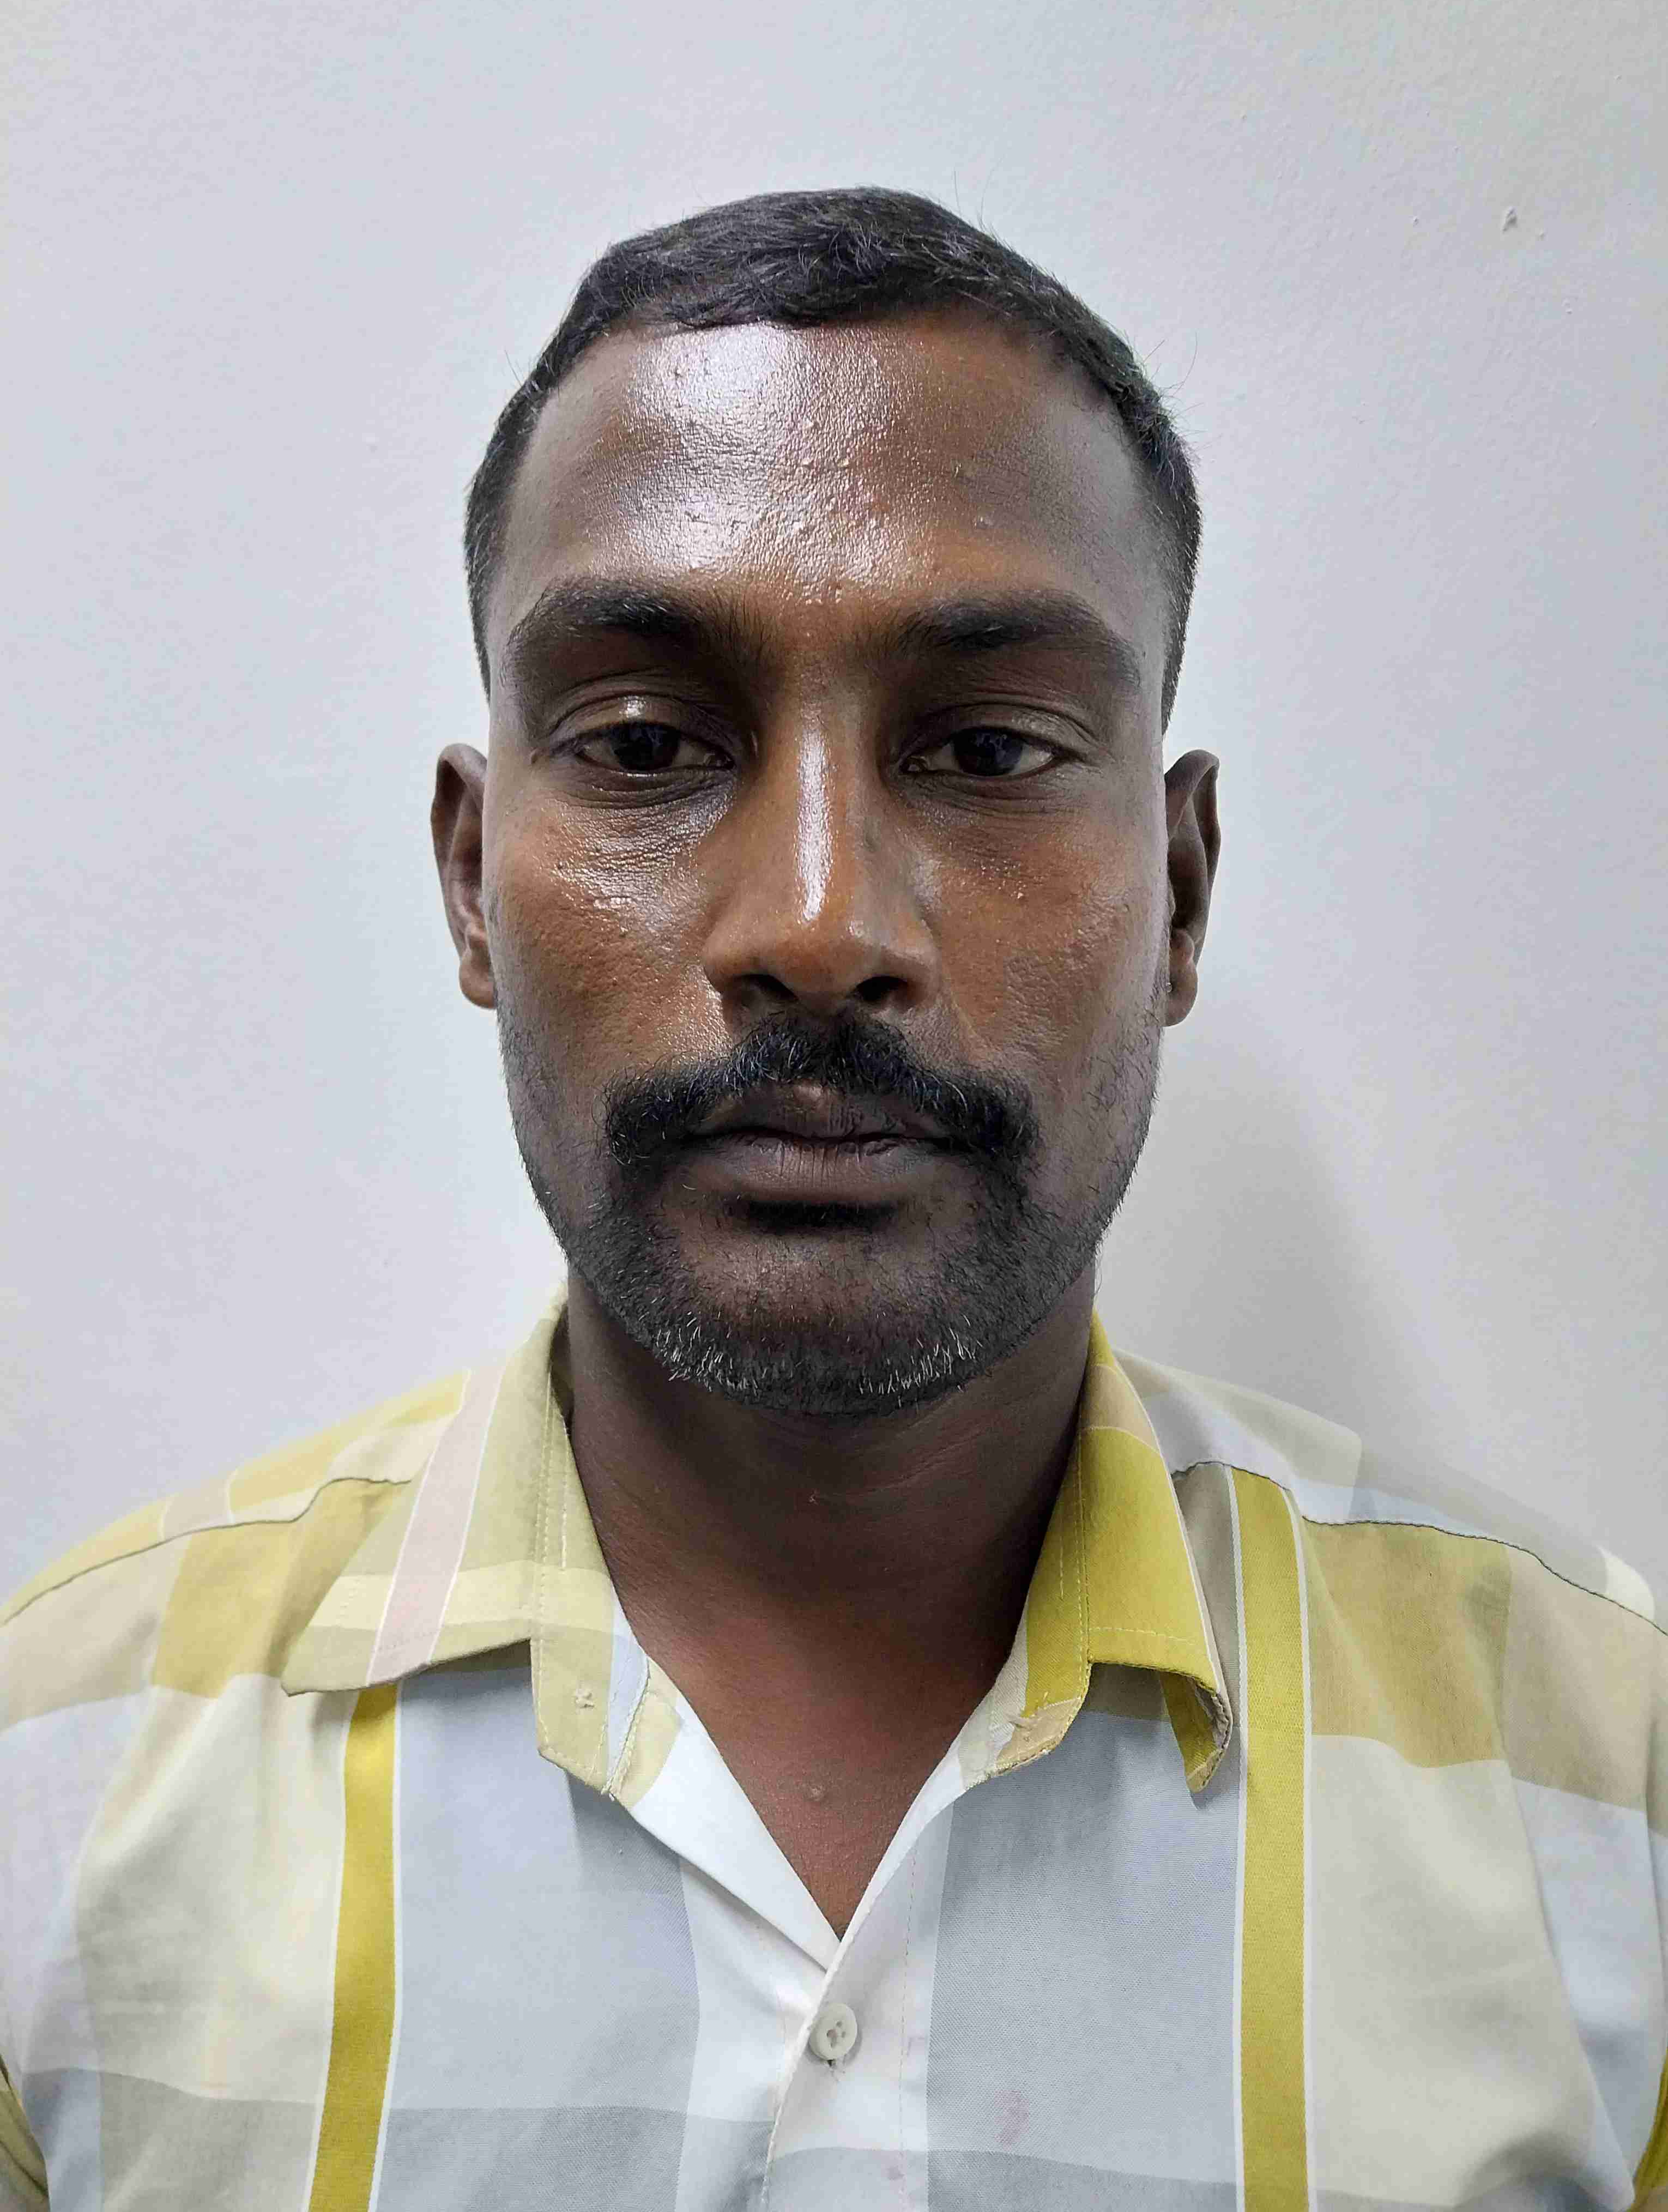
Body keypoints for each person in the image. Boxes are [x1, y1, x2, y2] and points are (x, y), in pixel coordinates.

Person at [2, 186, 1663, 2212]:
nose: (813, 923)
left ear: (1178, 894)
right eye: (644, 743)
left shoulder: (1612, 1790)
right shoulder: (52, 1781)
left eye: (986, 749)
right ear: (469, 881)